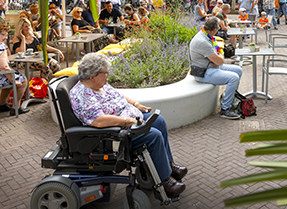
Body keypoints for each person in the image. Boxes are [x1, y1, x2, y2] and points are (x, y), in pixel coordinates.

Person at [69, 53, 187, 198]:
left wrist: (136, 104)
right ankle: (165, 182)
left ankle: (169, 166)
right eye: (105, 73)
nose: (108, 75)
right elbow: (98, 121)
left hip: (129, 120)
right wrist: (128, 121)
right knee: (153, 136)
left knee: (159, 121)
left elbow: (118, 95)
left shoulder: (98, 85)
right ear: (92, 75)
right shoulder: (82, 95)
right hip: (115, 133)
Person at [189, 17, 242, 119]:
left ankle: (230, 99)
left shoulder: (206, 36)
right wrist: (219, 57)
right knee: (233, 77)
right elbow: (220, 60)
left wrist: (217, 57)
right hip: (204, 72)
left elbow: (217, 58)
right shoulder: (203, 41)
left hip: (211, 67)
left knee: (238, 70)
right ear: (214, 30)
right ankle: (225, 109)